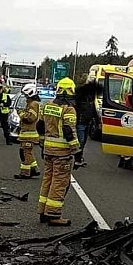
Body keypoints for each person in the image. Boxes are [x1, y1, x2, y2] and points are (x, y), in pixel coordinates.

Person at [38, 76, 80, 226]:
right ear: (70, 91)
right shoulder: (69, 109)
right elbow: (69, 131)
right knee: (59, 182)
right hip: (62, 153)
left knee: (47, 180)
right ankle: (53, 215)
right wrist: (77, 151)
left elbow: (40, 126)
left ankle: (43, 211)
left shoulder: (47, 105)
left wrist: (42, 144)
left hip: (48, 150)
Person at [14, 83, 41, 179]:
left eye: (26, 95)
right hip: (27, 133)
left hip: (29, 134)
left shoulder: (33, 104)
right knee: (27, 152)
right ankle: (35, 169)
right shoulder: (32, 104)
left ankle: (25, 173)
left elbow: (30, 118)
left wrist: (21, 113)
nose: (25, 97)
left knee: (25, 153)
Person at [74, 82, 96, 168]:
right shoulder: (79, 98)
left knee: (83, 142)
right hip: (80, 122)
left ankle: (79, 157)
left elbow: (92, 109)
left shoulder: (90, 98)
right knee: (80, 141)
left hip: (88, 122)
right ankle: (77, 159)